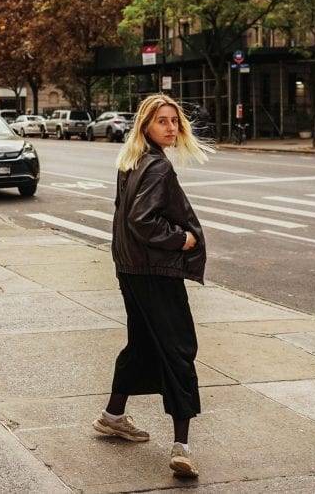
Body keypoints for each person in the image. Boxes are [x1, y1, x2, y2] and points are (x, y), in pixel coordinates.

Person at [92, 93, 212, 480]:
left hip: (131, 270)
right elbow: (142, 221)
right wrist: (181, 240)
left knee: (142, 344)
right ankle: (182, 447)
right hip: (155, 272)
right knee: (179, 350)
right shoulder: (157, 168)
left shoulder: (131, 162)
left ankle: (113, 415)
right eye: (163, 121)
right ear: (146, 125)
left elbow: (121, 216)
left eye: (175, 121)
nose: (172, 128)